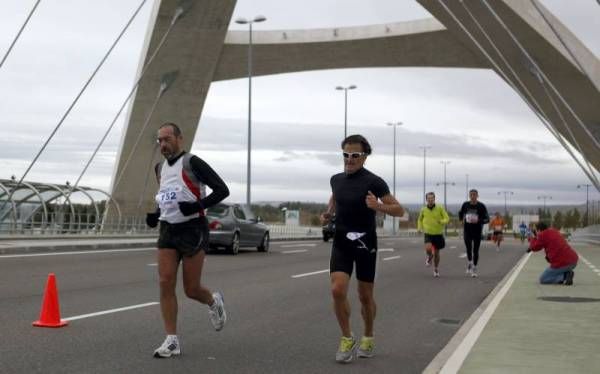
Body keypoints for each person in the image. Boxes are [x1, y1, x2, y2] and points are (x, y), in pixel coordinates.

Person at [146, 122, 230, 358]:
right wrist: (155, 213)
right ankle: (171, 340)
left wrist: (196, 205)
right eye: (159, 140)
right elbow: (165, 195)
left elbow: (222, 190)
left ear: (179, 139)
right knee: (165, 282)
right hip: (168, 230)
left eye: (167, 139)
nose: (163, 144)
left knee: (191, 289)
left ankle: (213, 301)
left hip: (193, 229)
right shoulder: (159, 168)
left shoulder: (193, 162)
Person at [320, 135, 405, 363]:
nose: (349, 159)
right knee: (337, 290)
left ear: (364, 157)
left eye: (355, 155)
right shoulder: (335, 179)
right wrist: (328, 213)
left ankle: (368, 334)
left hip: (365, 244)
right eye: (346, 155)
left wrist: (377, 205)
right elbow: (335, 198)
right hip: (341, 242)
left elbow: (399, 210)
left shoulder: (374, 182)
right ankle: (347, 338)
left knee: (365, 296)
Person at [417, 192, 450, 277]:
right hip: (428, 233)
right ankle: (429, 257)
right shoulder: (423, 209)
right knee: (428, 248)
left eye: (432, 198)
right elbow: (420, 220)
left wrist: (441, 221)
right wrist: (419, 228)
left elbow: (447, 218)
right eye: (428, 198)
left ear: (434, 199)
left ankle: (436, 269)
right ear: (426, 199)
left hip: (438, 233)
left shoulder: (440, 208)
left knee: (437, 253)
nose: (430, 200)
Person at [458, 189, 489, 278]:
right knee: (468, 248)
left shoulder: (481, 206)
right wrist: (461, 220)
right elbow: (460, 213)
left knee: (475, 250)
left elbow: (487, 219)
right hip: (467, 230)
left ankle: (474, 268)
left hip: (477, 231)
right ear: (469, 196)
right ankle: (470, 263)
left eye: (474, 195)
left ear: (477, 196)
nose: (473, 196)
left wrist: (478, 221)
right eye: (471, 195)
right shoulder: (465, 204)